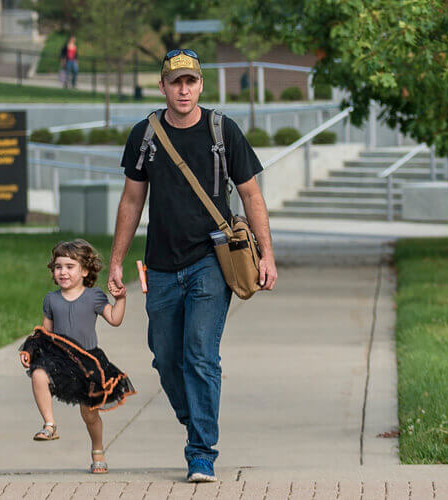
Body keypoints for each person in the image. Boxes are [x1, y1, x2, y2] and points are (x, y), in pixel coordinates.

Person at [106, 48, 278, 483]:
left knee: (200, 355)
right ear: (163, 87)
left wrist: (268, 255)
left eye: (191, 82)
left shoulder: (223, 131)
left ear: (201, 85)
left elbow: (251, 195)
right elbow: (131, 200)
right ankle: (195, 417)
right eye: (175, 82)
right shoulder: (145, 135)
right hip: (162, 266)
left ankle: (201, 451)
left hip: (211, 261)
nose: (183, 90)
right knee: (166, 358)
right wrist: (116, 262)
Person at [18, 239, 135, 474]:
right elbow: (45, 333)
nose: (63, 272)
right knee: (38, 375)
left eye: (70, 266)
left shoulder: (94, 296)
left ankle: (98, 450)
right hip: (60, 359)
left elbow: (114, 319)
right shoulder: (51, 300)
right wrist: (30, 350)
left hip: (88, 363)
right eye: (58, 267)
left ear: (84, 271)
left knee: (89, 414)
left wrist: (120, 299)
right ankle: (50, 424)